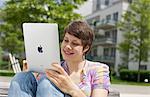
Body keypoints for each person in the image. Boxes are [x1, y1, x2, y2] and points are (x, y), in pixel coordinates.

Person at [8, 20, 110, 97]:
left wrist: (72, 89)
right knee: (22, 77)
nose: (67, 46)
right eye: (66, 40)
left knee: (47, 82)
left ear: (86, 48)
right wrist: (30, 72)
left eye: (75, 43)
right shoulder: (54, 66)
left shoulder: (99, 69)